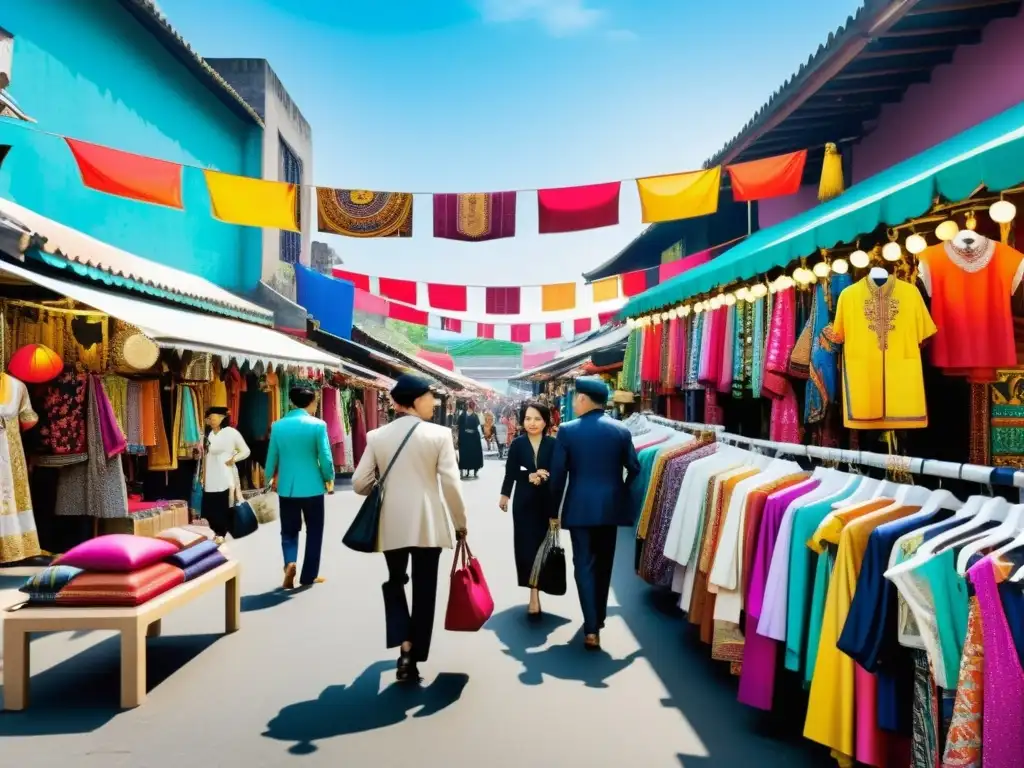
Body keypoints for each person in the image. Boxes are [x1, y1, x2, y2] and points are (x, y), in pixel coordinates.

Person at [352, 374, 468, 683]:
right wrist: (461, 523)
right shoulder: (439, 435)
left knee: (395, 581)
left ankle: (403, 645)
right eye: (430, 397)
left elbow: (360, 483)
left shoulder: (378, 436)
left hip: (390, 524)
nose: (434, 403)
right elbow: (451, 484)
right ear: (416, 400)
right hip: (429, 524)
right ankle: (413, 657)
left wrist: (388, 486)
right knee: (425, 589)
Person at [549, 377, 640, 651]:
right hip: (610, 508)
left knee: (584, 565)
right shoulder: (621, 431)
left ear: (584, 399)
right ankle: (598, 616)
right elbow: (634, 468)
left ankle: (591, 628)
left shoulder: (567, 430)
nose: (575, 402)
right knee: (604, 564)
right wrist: (620, 491)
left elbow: (557, 476)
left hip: (579, 508)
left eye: (576, 397)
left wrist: (553, 511)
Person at [266, 387, 335, 590]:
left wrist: (267, 477)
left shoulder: (278, 426)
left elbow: (272, 456)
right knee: (314, 530)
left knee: (288, 531)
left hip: (287, 487)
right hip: (313, 487)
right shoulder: (318, 425)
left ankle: (290, 562)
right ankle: (308, 575)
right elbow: (325, 455)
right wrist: (328, 477)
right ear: (311, 402)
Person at [499, 401, 558, 619]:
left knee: (543, 548)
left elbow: (559, 473)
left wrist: (546, 475)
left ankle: (538, 588)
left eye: (537, 419)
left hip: (546, 503)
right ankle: (533, 593)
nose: (532, 423)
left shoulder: (554, 445)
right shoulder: (517, 444)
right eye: (528, 418)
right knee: (525, 549)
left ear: (545, 421)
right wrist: (505, 494)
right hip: (523, 503)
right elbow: (511, 471)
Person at [202, 406, 251, 546]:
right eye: (209, 417)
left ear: (222, 417)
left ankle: (221, 533)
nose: (211, 420)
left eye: (214, 417)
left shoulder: (231, 433)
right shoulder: (208, 433)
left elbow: (245, 451)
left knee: (224, 503)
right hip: (211, 473)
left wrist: (234, 459)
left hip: (225, 473)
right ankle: (217, 531)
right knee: (211, 505)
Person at [456, 400, 484, 479]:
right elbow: (478, 427)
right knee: (474, 454)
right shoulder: (475, 416)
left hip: (464, 438)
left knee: (464, 455)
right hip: (473, 438)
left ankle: (464, 471)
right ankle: (474, 471)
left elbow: (458, 426)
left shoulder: (463, 415)